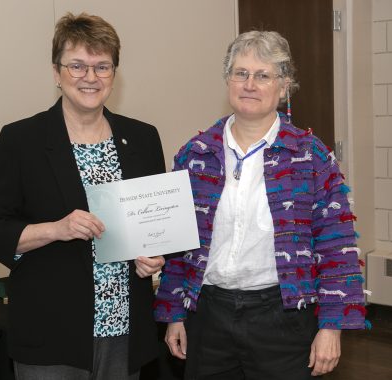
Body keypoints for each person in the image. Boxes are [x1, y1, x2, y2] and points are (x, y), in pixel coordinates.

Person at [154, 30, 367, 379]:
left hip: (283, 319)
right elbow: (180, 244)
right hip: (208, 317)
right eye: (241, 73)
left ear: (283, 88)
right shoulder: (196, 154)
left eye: (263, 75)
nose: (250, 84)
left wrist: (331, 327)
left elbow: (337, 246)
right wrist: (174, 313)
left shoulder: (310, 156)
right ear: (228, 81)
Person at [0, 12, 166, 380]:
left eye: (102, 66)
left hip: (125, 332)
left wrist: (154, 257)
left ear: (114, 74)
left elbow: (153, 223)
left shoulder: (142, 138)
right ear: (56, 72)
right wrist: (55, 229)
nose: (90, 77)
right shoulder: (22, 140)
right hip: (52, 333)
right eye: (77, 65)